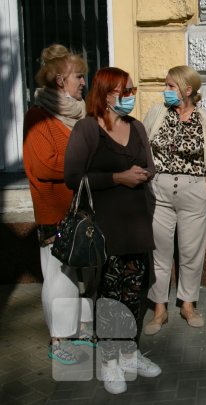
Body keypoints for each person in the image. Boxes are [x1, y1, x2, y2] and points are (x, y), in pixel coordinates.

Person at [65, 67, 161, 394]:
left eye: (133, 90)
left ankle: (130, 354)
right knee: (109, 298)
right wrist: (117, 178)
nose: (132, 96)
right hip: (104, 229)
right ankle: (109, 363)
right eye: (127, 90)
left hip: (136, 225)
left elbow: (149, 164)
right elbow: (73, 177)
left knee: (134, 293)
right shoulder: (87, 129)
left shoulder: (135, 127)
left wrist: (144, 174)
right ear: (108, 95)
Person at [22, 44, 93, 365]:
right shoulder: (38, 116)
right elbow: (43, 165)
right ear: (59, 79)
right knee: (58, 275)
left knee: (80, 270)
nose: (83, 82)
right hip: (54, 212)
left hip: (81, 208)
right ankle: (58, 338)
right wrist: (85, 159)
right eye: (78, 76)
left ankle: (78, 328)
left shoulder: (77, 113)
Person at [142, 66, 206, 335]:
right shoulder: (157, 114)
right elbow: (142, 146)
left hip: (194, 194)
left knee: (191, 252)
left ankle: (188, 305)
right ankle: (159, 310)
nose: (165, 91)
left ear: (187, 90)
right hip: (160, 193)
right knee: (159, 253)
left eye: (170, 86)